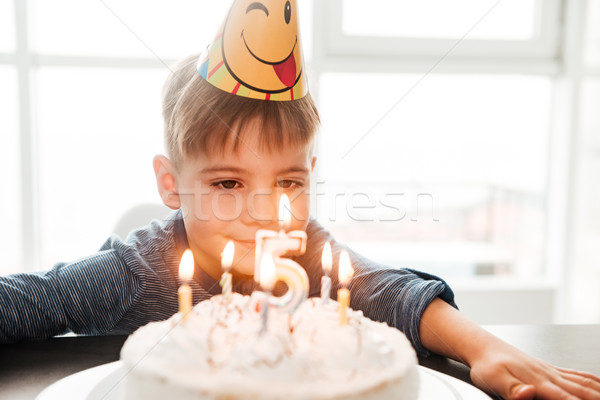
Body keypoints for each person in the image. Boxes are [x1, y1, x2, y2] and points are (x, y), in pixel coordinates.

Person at [2, 1, 600, 398]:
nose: (264, 212)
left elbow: (396, 294)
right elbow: (26, 302)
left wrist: (485, 348)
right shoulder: (133, 274)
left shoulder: (309, 253)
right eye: (228, 184)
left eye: (287, 182)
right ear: (170, 183)